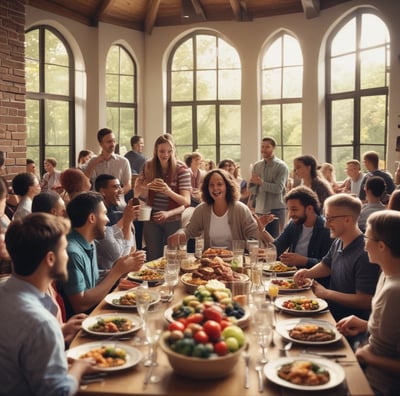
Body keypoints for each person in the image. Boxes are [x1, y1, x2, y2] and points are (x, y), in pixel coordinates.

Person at [0, 213, 93, 395]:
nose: (67, 256)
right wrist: (80, 367)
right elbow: (58, 392)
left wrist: (59, 331)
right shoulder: (41, 324)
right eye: (64, 249)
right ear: (50, 259)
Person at [336, 210, 400, 395]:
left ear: (381, 246)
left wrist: (367, 357)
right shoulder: (386, 274)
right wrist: (365, 326)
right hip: (366, 366)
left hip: (378, 386)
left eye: (366, 237)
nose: (364, 246)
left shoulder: (395, 291)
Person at [294, 193, 380, 324]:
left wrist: (327, 293)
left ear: (347, 219)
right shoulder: (339, 241)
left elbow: (366, 300)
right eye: (326, 218)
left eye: (330, 219)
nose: (326, 225)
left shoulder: (365, 253)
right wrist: (307, 273)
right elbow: (327, 265)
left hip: (346, 323)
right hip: (329, 312)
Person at [61, 192, 145, 318]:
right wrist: (116, 272)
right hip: (85, 321)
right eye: (104, 214)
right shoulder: (72, 252)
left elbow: (92, 280)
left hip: (97, 309)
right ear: (92, 218)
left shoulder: (90, 241)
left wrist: (116, 270)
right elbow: (80, 305)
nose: (108, 219)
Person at [168, 168, 262, 250]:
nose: (215, 188)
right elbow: (189, 230)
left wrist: (252, 246)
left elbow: (254, 234)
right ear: (207, 188)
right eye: (211, 185)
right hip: (210, 261)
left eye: (219, 184)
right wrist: (180, 233)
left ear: (228, 186)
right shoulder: (202, 209)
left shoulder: (240, 209)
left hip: (235, 261)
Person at [135, 133, 191, 260]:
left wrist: (168, 191)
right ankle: (153, 281)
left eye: (169, 151)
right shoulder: (148, 166)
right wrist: (146, 186)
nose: (165, 155)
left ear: (173, 151)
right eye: (161, 151)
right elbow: (139, 191)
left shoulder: (181, 170)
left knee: (173, 257)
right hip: (151, 217)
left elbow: (186, 201)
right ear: (155, 150)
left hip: (173, 218)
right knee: (153, 258)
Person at [257, 186, 333, 275]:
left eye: (294, 210)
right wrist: (264, 249)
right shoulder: (293, 224)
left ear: (310, 209)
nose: (291, 214)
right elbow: (278, 247)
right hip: (291, 277)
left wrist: (304, 261)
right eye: (289, 210)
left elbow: (329, 265)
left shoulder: (327, 230)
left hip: (314, 282)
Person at [94, 174, 139, 272]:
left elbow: (133, 249)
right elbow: (119, 258)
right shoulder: (102, 221)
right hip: (108, 275)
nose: (121, 191)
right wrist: (126, 221)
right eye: (115, 187)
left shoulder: (118, 214)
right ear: (103, 192)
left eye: (120, 186)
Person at [248, 136, 289, 238]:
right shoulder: (257, 166)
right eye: (262, 147)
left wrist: (261, 183)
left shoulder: (281, 166)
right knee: (260, 239)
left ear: (273, 148)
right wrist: (252, 183)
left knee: (274, 241)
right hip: (259, 209)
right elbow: (252, 189)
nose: (264, 150)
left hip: (276, 209)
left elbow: (278, 189)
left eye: (267, 147)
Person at [84, 128, 132, 195]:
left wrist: (120, 192)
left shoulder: (124, 162)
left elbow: (128, 185)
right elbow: (84, 183)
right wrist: (94, 163)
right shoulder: (93, 161)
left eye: (114, 141)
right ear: (101, 144)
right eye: (109, 142)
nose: (113, 144)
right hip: (98, 200)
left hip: (117, 199)